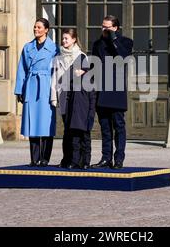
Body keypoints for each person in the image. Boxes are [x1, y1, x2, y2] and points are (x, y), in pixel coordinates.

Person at [15, 18, 59, 167]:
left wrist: (57, 91)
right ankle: (34, 158)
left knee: (46, 124)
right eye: (35, 27)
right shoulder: (28, 48)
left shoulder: (54, 48)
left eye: (39, 27)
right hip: (31, 86)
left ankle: (45, 158)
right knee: (32, 123)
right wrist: (19, 90)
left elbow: (57, 71)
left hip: (46, 87)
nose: (36, 30)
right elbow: (22, 69)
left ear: (46, 30)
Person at [91, 16, 133, 169]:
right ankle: (105, 158)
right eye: (102, 27)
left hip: (116, 90)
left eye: (107, 27)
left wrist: (113, 39)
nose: (104, 30)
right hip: (101, 90)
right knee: (105, 127)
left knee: (118, 126)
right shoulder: (97, 44)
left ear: (116, 28)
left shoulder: (126, 42)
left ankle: (119, 158)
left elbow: (122, 58)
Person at [51, 29, 96, 170]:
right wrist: (54, 97)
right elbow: (54, 79)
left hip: (78, 99)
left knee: (79, 131)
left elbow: (88, 79)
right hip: (63, 95)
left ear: (74, 39)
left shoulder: (81, 56)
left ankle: (81, 160)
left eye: (66, 38)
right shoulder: (58, 57)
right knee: (67, 131)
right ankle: (67, 159)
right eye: (63, 39)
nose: (64, 41)